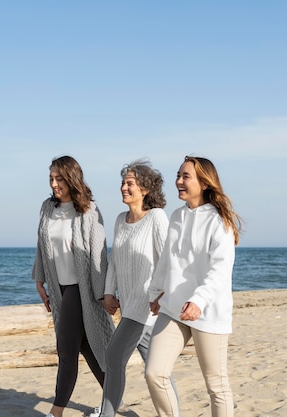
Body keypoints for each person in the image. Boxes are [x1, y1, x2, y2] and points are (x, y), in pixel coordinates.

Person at [145, 155, 242, 417]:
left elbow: (220, 269)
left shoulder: (218, 220)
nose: (178, 181)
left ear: (205, 182)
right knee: (155, 372)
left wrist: (199, 300)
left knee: (216, 385)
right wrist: (156, 292)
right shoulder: (176, 216)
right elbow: (166, 260)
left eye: (185, 176)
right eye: (178, 175)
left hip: (207, 311)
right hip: (173, 307)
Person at [91, 159, 175, 417]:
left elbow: (168, 260)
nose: (124, 187)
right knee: (157, 371)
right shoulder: (120, 220)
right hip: (128, 305)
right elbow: (115, 261)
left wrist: (163, 294)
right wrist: (108, 292)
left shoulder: (157, 218)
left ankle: (107, 414)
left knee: (114, 357)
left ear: (146, 189)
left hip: (148, 306)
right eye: (123, 183)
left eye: (130, 183)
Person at [32, 155, 114, 417]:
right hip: (60, 289)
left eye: (59, 178)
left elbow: (99, 254)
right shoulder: (47, 207)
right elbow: (41, 246)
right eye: (51, 178)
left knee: (66, 349)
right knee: (87, 346)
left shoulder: (88, 209)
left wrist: (103, 294)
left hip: (83, 289)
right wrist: (39, 280)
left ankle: (56, 412)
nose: (54, 184)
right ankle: (113, 397)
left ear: (71, 178)